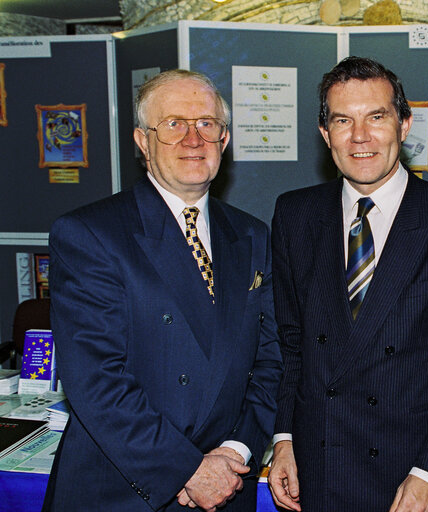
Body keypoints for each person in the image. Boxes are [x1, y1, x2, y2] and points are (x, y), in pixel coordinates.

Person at [43, 69, 282, 512]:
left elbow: (270, 360)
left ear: (224, 140)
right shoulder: (90, 234)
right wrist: (188, 470)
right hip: (127, 489)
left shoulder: (251, 235)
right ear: (141, 140)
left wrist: (237, 450)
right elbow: (96, 381)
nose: (193, 139)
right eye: (173, 124)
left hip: (227, 484)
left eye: (206, 124)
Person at [267, 56, 428, 512]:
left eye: (376, 117)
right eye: (342, 120)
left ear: (404, 124)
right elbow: (291, 344)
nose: (360, 137)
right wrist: (285, 436)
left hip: (409, 479)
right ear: (324, 133)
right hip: (319, 471)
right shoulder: (295, 215)